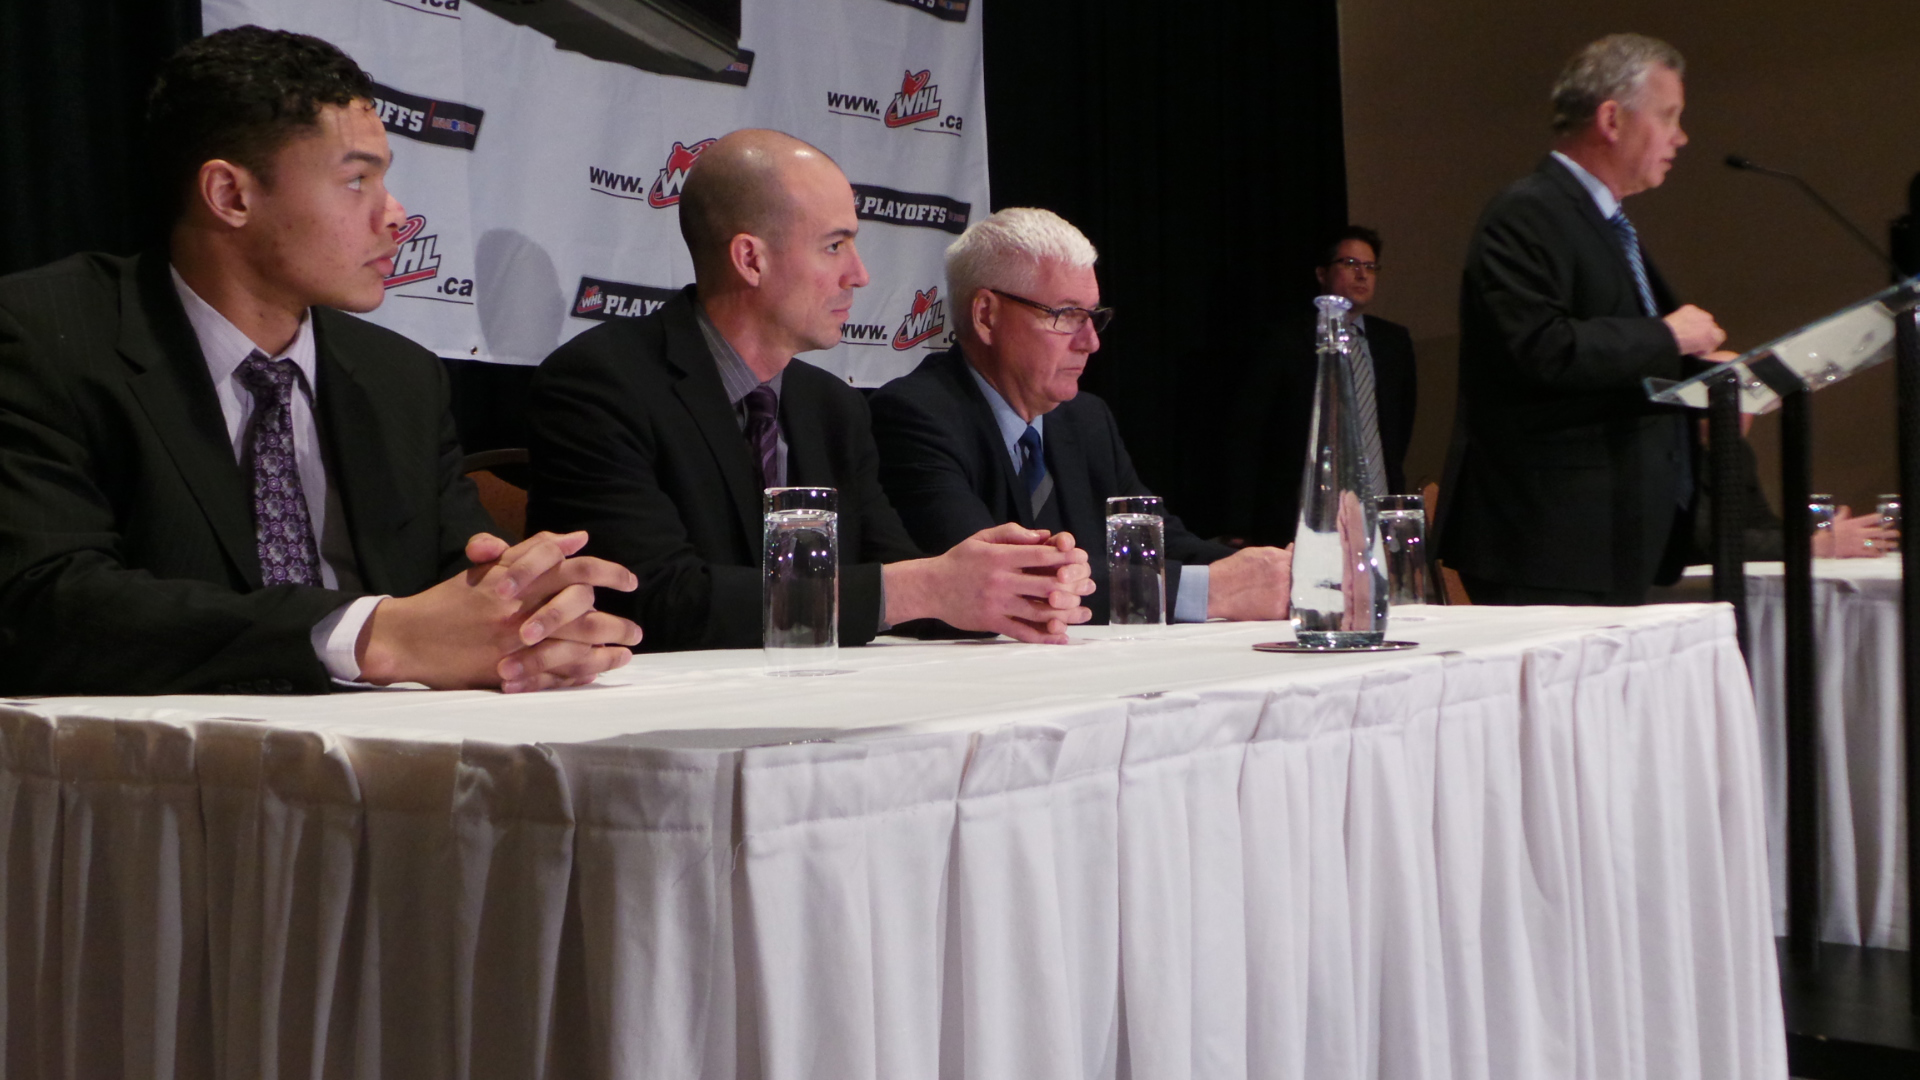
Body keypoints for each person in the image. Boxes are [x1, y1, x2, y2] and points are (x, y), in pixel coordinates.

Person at [0, 27, 642, 697]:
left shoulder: (401, 378)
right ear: (231, 195)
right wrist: (362, 636)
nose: (396, 215)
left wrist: (528, 611)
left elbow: (464, 577)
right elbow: (40, 602)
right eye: (357, 180)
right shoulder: (46, 338)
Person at [525, 131, 1095, 650]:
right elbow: (651, 597)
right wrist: (924, 587)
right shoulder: (601, 384)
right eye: (834, 246)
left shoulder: (832, 408)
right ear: (751, 259)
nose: (860, 275)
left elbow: (893, 574)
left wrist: (1009, 583)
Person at [869, 207, 1291, 623]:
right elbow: (1002, 579)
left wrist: (1275, 573)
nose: (1091, 342)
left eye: (1093, 317)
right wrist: (1214, 591)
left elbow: (1158, 542)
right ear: (986, 315)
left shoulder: (1086, 419)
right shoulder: (913, 417)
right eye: (1067, 315)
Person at [1437, 33, 1728, 605]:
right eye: (1668, 116)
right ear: (1612, 119)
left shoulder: (1606, 223)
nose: (1681, 136)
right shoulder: (1527, 212)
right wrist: (1668, 334)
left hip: (1608, 538)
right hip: (1547, 541)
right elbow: (1540, 348)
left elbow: (1619, 360)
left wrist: (1704, 377)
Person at [1229, 226, 1418, 547]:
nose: (1362, 274)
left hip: (1378, 512)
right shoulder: (1285, 341)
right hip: (1304, 517)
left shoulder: (1394, 342)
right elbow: (1248, 433)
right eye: (1350, 263)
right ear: (1322, 273)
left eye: (1370, 267)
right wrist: (1239, 525)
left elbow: (1399, 429)